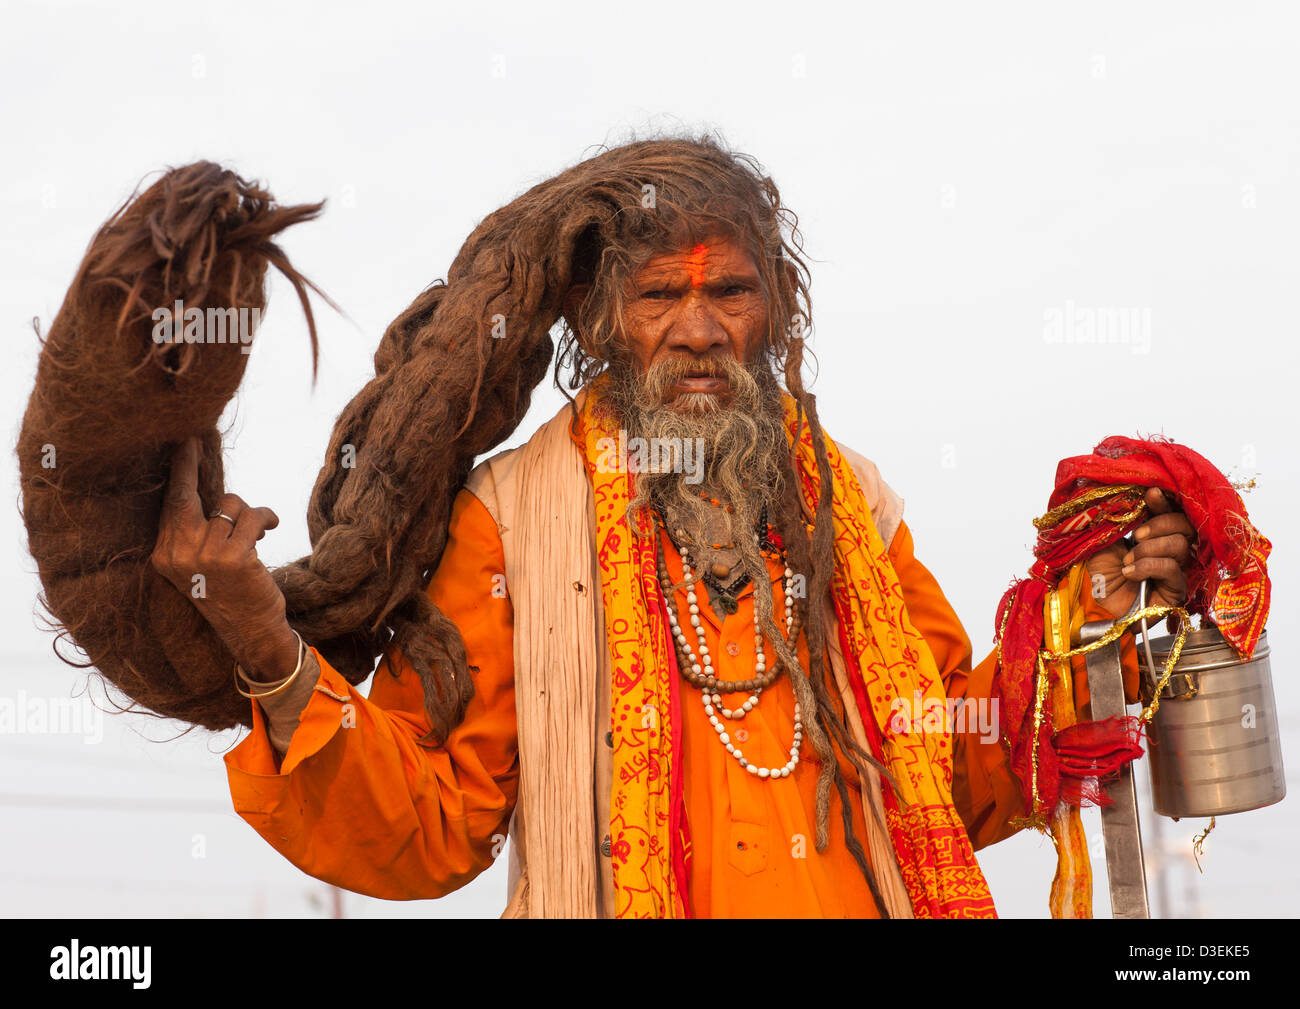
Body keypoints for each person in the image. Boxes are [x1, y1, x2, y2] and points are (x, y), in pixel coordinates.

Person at [148, 137, 1197, 918]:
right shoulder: (507, 521)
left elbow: (942, 774)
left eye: (729, 292)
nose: (697, 330)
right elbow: (431, 826)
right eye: (659, 296)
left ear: (776, 307)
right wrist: (272, 658)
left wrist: (1085, 621)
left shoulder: (854, 508)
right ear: (603, 320)